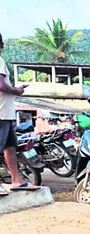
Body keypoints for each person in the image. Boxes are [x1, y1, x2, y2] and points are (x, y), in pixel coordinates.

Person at [0, 32, 40, 196]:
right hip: (1, 113)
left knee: (10, 147)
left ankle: (17, 179)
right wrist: (16, 90)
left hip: (6, 113)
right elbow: (1, 85)